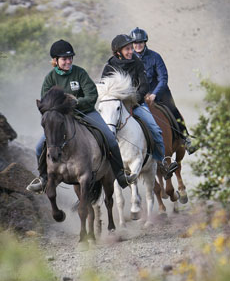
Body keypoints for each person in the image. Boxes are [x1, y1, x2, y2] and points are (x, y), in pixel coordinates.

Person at [26, 39, 137, 193]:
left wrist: (76, 102)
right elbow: (46, 103)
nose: (68, 61)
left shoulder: (80, 73)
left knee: (110, 138)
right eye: (64, 59)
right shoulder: (50, 78)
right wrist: (62, 108)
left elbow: (91, 95)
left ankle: (120, 175)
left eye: (70, 58)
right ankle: (43, 178)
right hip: (61, 120)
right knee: (39, 147)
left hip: (86, 113)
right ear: (55, 61)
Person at [101, 34, 178, 178]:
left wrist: (133, 99)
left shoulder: (137, 62)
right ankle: (100, 167)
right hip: (116, 107)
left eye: (131, 48)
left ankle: (164, 161)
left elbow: (144, 86)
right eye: (128, 49)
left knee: (155, 129)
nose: (131, 51)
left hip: (136, 104)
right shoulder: (109, 66)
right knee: (100, 131)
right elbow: (105, 89)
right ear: (118, 52)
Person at [130, 27, 197, 154]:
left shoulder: (155, 57)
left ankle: (186, 138)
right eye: (135, 43)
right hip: (139, 95)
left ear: (145, 42)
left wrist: (155, 94)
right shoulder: (130, 59)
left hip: (159, 93)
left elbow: (163, 78)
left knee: (173, 110)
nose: (138, 45)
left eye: (140, 42)